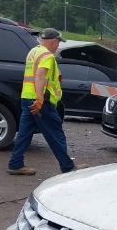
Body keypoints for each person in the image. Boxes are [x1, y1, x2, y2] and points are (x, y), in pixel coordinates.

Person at [7, 28, 76, 175]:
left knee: (24, 134)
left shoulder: (33, 52)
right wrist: (39, 99)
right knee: (56, 134)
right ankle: (68, 167)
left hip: (27, 98)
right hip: (41, 101)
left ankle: (15, 164)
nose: (58, 46)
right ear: (53, 41)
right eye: (58, 42)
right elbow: (40, 77)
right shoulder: (47, 56)